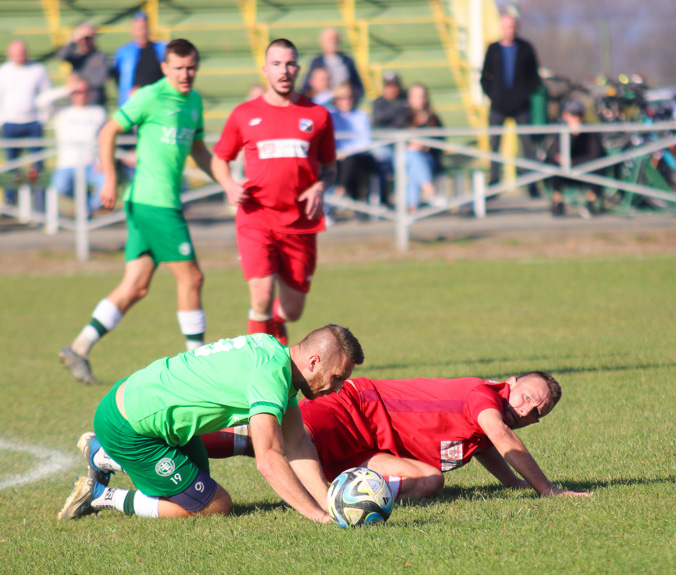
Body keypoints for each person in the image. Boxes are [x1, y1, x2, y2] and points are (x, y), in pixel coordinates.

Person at [57, 325, 364, 522]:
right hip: (130, 427)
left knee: (198, 481)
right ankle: (101, 495)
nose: (337, 389)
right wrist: (317, 516)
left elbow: (296, 444)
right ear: (314, 362)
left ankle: (102, 454)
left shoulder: (273, 353)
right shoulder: (271, 377)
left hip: (138, 403)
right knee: (211, 504)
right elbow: (269, 459)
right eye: (337, 378)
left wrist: (327, 499)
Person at [59, 39, 214, 386]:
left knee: (135, 286)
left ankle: (79, 348)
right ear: (165, 68)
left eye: (191, 67)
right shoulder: (151, 96)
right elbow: (108, 130)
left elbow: (200, 151)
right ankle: (197, 366)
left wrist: (229, 183)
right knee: (192, 279)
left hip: (152, 203)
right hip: (154, 203)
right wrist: (110, 179)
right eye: (178, 68)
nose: (185, 74)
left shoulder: (194, 101)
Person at [201, 371, 589, 501]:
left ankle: (345, 500)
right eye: (526, 398)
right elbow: (501, 438)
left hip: (370, 448)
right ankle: (166, 442)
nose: (525, 410)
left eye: (536, 412)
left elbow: (487, 446)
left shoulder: (486, 425)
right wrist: (547, 489)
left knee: (429, 480)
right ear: (512, 382)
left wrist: (514, 484)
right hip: (351, 410)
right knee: (260, 441)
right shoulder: (484, 396)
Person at [212, 39, 337, 346]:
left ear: (298, 69)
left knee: (293, 311)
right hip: (256, 217)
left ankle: (274, 321)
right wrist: (229, 185)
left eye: (290, 64)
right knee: (262, 296)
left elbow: (331, 167)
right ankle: (259, 366)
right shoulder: (244, 114)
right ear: (265, 69)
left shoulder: (318, 115)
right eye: (277, 64)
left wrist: (320, 186)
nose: (284, 70)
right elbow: (219, 159)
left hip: (300, 223)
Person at [480, 13, 541, 197]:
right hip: (498, 106)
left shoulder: (526, 48)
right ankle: (494, 184)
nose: (510, 30)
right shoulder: (493, 49)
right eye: (507, 27)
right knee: (494, 145)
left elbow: (534, 78)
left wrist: (523, 96)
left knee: (527, 146)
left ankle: (531, 185)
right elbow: (485, 77)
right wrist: (494, 96)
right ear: (501, 28)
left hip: (521, 106)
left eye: (513, 27)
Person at [43, 76, 107, 213]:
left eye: (84, 91)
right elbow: (41, 101)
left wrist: (101, 161)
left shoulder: (99, 112)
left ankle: (88, 209)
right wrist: (68, 89)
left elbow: (103, 140)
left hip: (92, 165)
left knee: (106, 184)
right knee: (59, 186)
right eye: (77, 92)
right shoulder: (61, 113)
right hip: (67, 164)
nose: (81, 95)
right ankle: (85, 207)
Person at [0, 40, 51, 207]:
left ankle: (39, 204)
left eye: (22, 51)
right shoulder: (4, 71)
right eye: (16, 52)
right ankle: (11, 203)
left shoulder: (38, 69)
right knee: (12, 167)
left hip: (33, 123)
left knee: (37, 166)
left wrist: (43, 119)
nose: (20, 55)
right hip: (10, 124)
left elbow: (46, 94)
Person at [539, 99, 605, 218]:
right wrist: (572, 136)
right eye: (573, 115)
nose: (576, 118)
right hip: (564, 172)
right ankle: (557, 202)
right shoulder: (559, 131)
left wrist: (573, 161)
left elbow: (595, 155)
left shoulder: (591, 132)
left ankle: (591, 203)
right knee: (552, 166)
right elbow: (555, 153)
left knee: (600, 166)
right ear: (565, 115)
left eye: (579, 115)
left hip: (586, 170)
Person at [330, 82, 376, 206]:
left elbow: (365, 142)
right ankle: (345, 198)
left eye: (349, 97)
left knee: (352, 161)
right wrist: (331, 93)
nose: (347, 101)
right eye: (342, 97)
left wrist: (346, 152)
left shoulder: (362, 116)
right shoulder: (330, 115)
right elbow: (314, 103)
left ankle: (341, 192)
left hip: (357, 156)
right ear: (336, 99)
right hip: (336, 156)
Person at [370, 71, 410, 206]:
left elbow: (404, 121)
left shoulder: (405, 101)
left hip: (402, 146)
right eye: (388, 86)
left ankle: (406, 203)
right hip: (384, 145)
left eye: (394, 85)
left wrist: (395, 115)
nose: (391, 89)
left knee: (407, 162)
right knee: (380, 162)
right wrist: (398, 111)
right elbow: (379, 118)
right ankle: (382, 201)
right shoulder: (378, 102)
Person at [405, 83, 445, 212]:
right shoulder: (403, 117)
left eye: (422, 96)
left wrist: (425, 146)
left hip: (428, 159)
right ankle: (430, 191)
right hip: (402, 158)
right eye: (416, 96)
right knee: (412, 155)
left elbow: (441, 141)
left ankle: (412, 207)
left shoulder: (433, 119)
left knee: (414, 162)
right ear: (410, 98)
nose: (420, 100)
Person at [113, 11, 166, 106]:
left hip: (156, 101)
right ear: (132, 30)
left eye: (144, 28)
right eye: (138, 29)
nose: (142, 32)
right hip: (132, 103)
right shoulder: (124, 53)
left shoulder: (161, 49)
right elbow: (118, 77)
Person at [299, 28, 364, 104]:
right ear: (322, 42)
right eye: (330, 39)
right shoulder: (316, 62)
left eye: (336, 38)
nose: (334, 41)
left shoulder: (347, 61)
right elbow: (306, 89)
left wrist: (350, 100)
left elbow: (358, 87)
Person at [56, 22, 110, 106]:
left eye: (88, 38)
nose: (85, 42)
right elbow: (61, 56)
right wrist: (73, 40)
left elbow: (100, 79)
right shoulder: (76, 56)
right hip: (76, 104)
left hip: (94, 103)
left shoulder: (100, 56)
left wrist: (80, 82)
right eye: (82, 39)